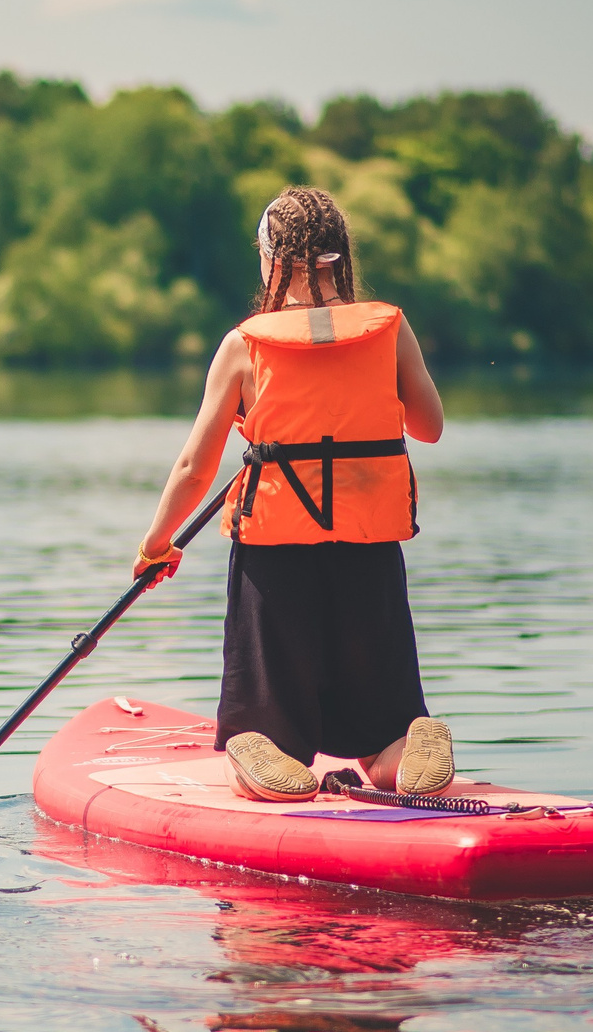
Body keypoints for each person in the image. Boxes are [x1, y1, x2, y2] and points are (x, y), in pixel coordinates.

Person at [134, 186, 454, 801]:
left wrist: (157, 542)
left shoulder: (245, 344)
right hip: (369, 548)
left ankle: (260, 751)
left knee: (266, 727)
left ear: (271, 259)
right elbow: (429, 427)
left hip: (276, 557)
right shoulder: (389, 329)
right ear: (342, 255)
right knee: (380, 730)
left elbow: (196, 467)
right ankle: (402, 749)